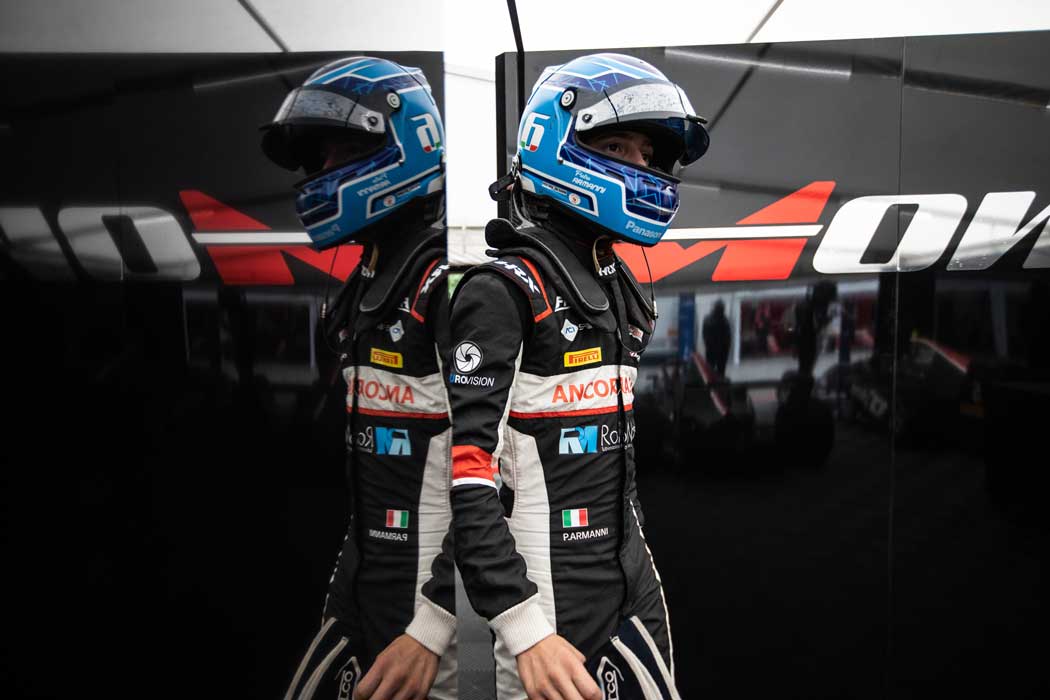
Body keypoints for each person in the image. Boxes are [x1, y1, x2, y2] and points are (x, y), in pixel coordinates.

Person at [447, 53, 709, 699]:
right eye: (617, 147)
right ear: (556, 145)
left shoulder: (613, 285)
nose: (640, 166)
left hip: (633, 584)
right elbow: (467, 483)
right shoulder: (503, 290)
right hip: (549, 617)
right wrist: (523, 628)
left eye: (647, 154)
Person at [261, 56, 456, 700]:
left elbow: (495, 479)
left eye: (342, 152)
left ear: (405, 145)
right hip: (367, 588)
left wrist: (433, 625)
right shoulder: (364, 284)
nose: (323, 172)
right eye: (319, 159)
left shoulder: (448, 282)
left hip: (436, 620)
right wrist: (342, 604)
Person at [702, 299, 731, 376]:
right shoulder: (724, 320)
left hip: (712, 350)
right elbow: (728, 338)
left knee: (710, 371)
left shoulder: (707, 319)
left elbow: (704, 335)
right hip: (720, 351)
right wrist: (726, 350)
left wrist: (707, 345)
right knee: (719, 371)